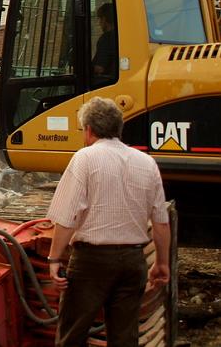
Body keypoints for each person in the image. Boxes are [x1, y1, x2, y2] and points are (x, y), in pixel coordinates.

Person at [47, 97, 170, 347]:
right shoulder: (147, 163)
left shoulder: (85, 158)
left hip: (92, 262)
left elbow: (66, 216)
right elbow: (161, 222)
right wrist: (161, 263)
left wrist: (53, 259)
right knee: (125, 339)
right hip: (133, 261)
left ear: (89, 129)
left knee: (71, 335)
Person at [91, 2, 117, 79]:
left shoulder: (106, 38)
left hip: (106, 83)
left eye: (100, 19)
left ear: (104, 19)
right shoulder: (122, 36)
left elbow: (100, 68)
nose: (99, 23)